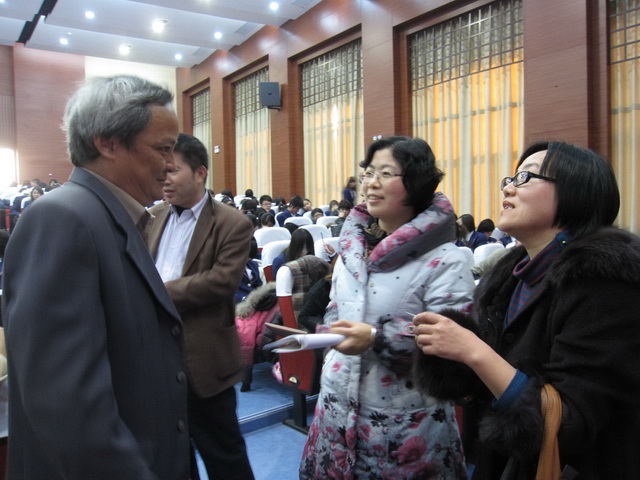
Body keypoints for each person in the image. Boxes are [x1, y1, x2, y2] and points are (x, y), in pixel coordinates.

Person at [413, 141, 640, 479]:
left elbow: (571, 423)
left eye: (526, 177)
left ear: (576, 191)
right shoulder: (511, 277)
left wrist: (474, 351)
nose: (508, 187)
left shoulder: (604, 282)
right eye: (511, 178)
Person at [2, 75, 189, 479]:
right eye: (163, 149)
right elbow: (68, 407)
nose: (172, 164)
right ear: (108, 144)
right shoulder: (62, 218)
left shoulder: (110, 215)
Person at [300, 136, 475, 479]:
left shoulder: (445, 260)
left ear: (417, 183)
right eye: (368, 172)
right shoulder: (351, 250)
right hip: (335, 410)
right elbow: (336, 310)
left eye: (385, 173)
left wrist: (377, 338)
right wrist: (328, 337)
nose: (371, 183)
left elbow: (452, 353)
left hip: (403, 427)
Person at [147, 133, 255, 480]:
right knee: (174, 455)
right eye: (161, 170)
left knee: (224, 453)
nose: (164, 178)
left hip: (204, 359)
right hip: (155, 357)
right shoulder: (152, 217)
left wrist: (154, 292)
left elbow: (221, 281)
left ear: (200, 173)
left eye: (173, 170)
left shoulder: (231, 222)